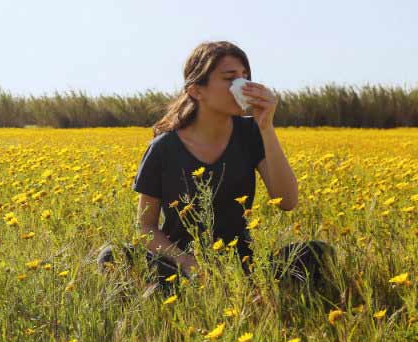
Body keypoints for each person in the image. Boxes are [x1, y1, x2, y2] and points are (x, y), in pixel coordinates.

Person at [97, 41, 337, 301]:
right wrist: (192, 266)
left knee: (317, 253)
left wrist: (266, 127)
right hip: (182, 264)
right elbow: (145, 228)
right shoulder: (163, 148)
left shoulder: (251, 134)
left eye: (246, 76)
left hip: (244, 263)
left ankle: (246, 294)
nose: (242, 85)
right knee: (112, 255)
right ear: (196, 90)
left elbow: (288, 201)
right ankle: (193, 298)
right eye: (230, 78)